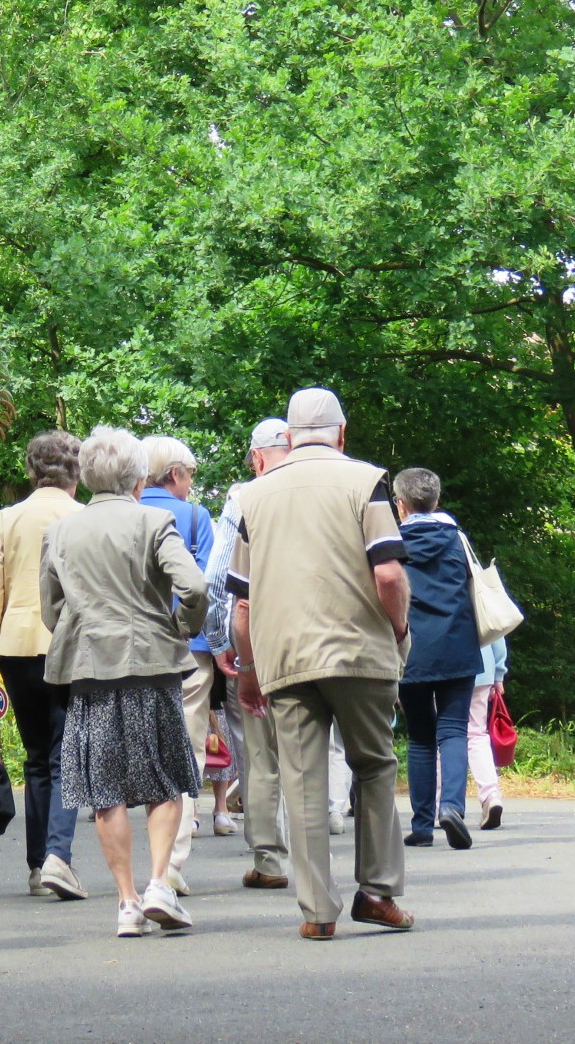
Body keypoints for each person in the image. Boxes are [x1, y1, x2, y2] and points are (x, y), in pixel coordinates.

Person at [228, 387, 415, 940]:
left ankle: (317, 912)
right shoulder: (367, 482)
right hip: (359, 652)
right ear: (342, 432)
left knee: (301, 781)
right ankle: (377, 893)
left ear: (287, 437)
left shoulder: (253, 497)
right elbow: (388, 573)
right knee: (374, 765)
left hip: (285, 656)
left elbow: (241, 604)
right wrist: (400, 630)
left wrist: (247, 668)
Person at [41, 426, 207, 938]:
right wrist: (180, 628)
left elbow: (51, 611)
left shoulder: (61, 532)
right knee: (165, 779)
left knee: (105, 789)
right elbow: (195, 586)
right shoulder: (155, 521)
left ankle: (127, 903)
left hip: (90, 673)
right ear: (137, 476)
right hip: (151, 668)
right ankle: (160, 885)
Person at [0, 430, 88, 901]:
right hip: (71, 644)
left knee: (38, 758)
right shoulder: (83, 517)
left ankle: (38, 866)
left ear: (31, 470)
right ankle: (60, 856)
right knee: (67, 757)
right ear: (76, 472)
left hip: (17, 648)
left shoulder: (7, 519)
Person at [206, 417, 290, 890]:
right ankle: (313, 854)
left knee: (260, 755)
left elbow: (221, 580)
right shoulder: (330, 487)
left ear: (257, 458)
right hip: (321, 644)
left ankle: (269, 860)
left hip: (260, 640)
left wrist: (222, 644)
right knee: (308, 751)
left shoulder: (245, 498)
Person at [391, 467, 482, 851]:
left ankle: (422, 825)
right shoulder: (457, 539)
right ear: (436, 500)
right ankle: (453, 809)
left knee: (421, 737)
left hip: (411, 648)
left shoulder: (390, 544)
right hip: (457, 644)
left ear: (401, 505)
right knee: (453, 729)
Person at [137, 434, 213, 895]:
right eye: (189, 476)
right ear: (175, 474)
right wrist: (184, 628)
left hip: (126, 650)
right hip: (185, 649)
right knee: (188, 750)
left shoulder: (118, 512)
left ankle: (137, 866)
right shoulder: (193, 516)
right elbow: (202, 583)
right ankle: (170, 863)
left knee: (139, 752)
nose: (190, 485)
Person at [470, 636, 509, 830]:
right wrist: (498, 673)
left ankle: (440, 805)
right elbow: (495, 627)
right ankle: (490, 795)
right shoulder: (480, 601)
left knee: (440, 736)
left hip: (438, 666)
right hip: (482, 665)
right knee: (476, 734)